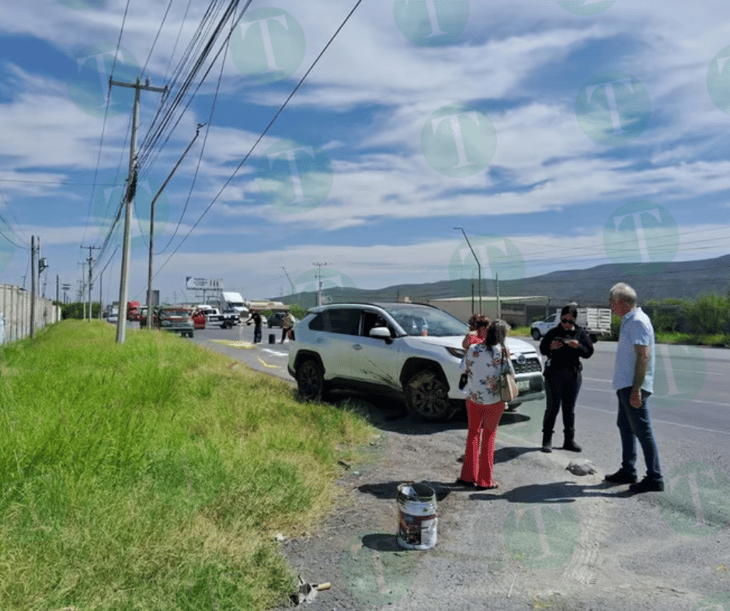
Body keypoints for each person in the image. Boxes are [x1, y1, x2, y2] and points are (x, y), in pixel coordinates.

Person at [605, 282, 664, 493]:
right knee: (625, 426)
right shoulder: (629, 320)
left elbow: (643, 356)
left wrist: (636, 389)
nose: (610, 306)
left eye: (611, 301)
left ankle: (654, 477)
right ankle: (628, 469)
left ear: (620, 302)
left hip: (633, 385)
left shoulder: (637, 321)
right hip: (626, 384)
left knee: (643, 431)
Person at [456, 319, 513, 490]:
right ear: (502, 335)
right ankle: (484, 480)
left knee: (473, 434)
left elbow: (462, 369)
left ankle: (467, 476)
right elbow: (510, 373)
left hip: (473, 399)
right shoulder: (502, 352)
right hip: (494, 401)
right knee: (489, 437)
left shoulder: (473, 349)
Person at [539, 304, 594, 453]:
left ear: (575, 321)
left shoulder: (580, 333)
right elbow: (543, 349)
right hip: (554, 375)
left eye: (570, 321)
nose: (567, 324)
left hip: (573, 375)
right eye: (564, 320)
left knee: (569, 409)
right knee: (553, 407)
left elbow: (589, 352)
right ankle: (547, 440)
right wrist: (551, 347)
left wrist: (578, 347)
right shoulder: (553, 332)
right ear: (560, 318)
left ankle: (569, 441)